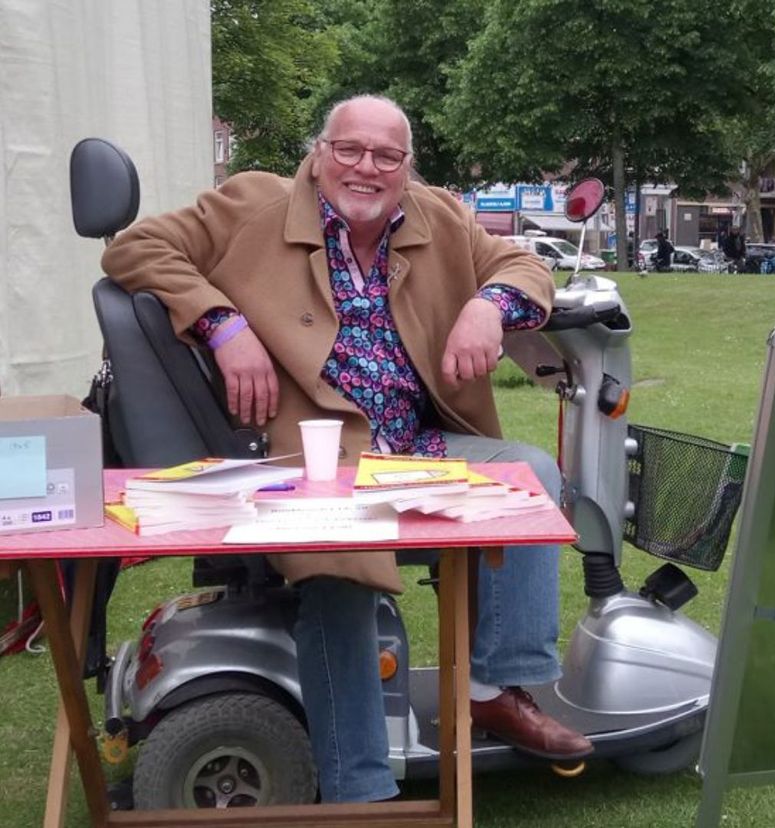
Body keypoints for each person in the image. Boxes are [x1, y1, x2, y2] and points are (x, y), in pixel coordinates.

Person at [102, 94, 593, 803]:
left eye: (387, 155)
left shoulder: (437, 217)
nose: (367, 168)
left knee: (529, 474)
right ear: (320, 151)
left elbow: (526, 267)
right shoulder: (254, 203)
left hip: (417, 444)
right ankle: (360, 791)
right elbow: (134, 248)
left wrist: (489, 306)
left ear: (406, 166)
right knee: (338, 578)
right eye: (350, 150)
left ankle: (493, 688)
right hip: (320, 455)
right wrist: (221, 321)